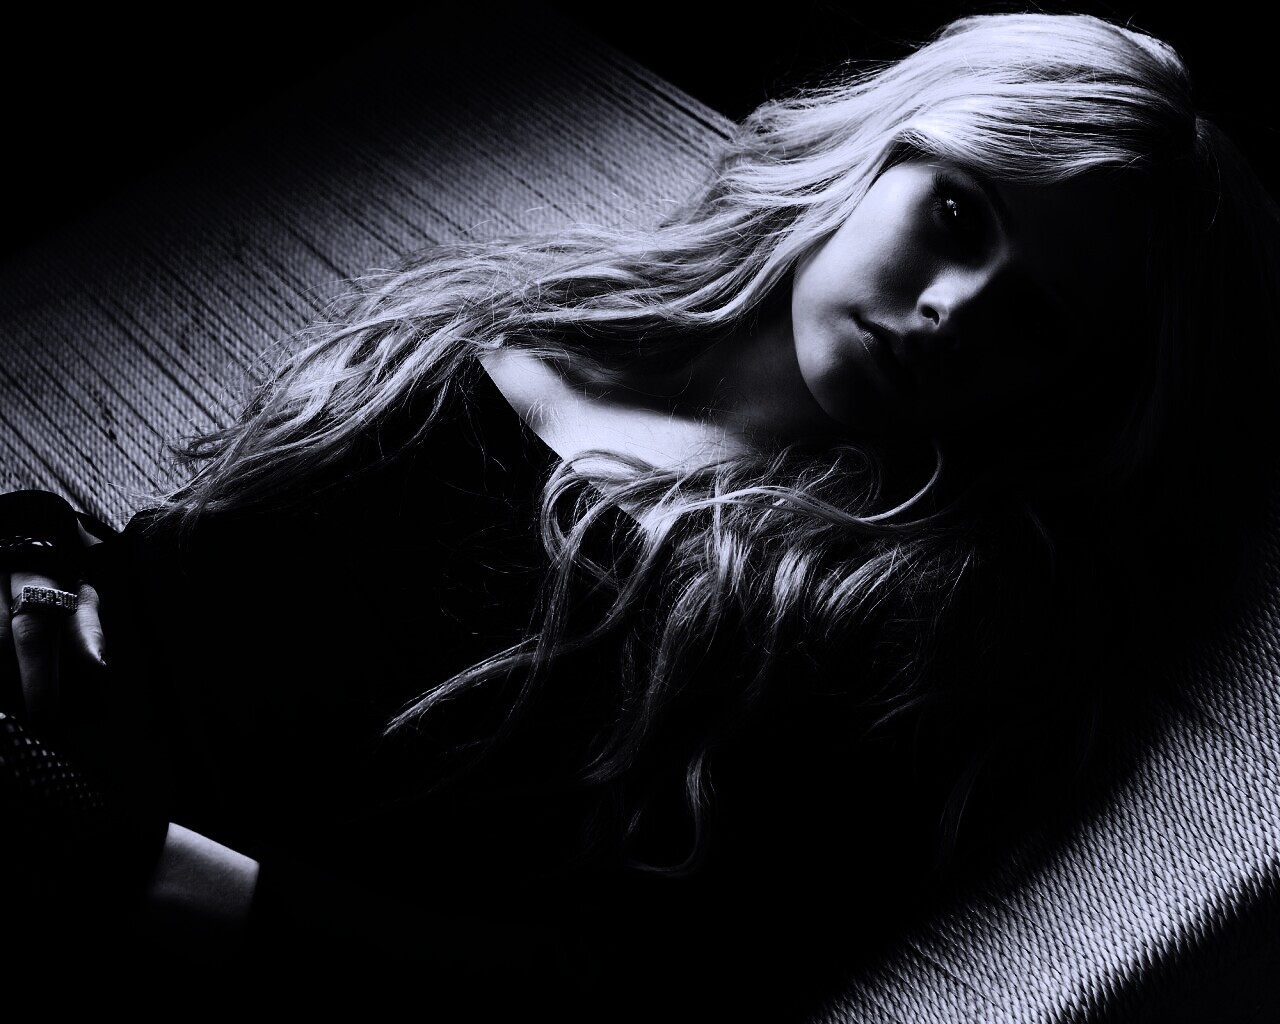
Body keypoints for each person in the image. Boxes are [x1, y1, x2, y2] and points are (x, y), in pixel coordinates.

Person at [3, 9, 1278, 1017]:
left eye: (1034, 318)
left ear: (1061, 394)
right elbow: (190, 562)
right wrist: (40, 564)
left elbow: (617, 986)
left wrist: (136, 864)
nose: (953, 307)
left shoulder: (871, 627)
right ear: (879, 152)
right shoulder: (534, 307)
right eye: (958, 212)